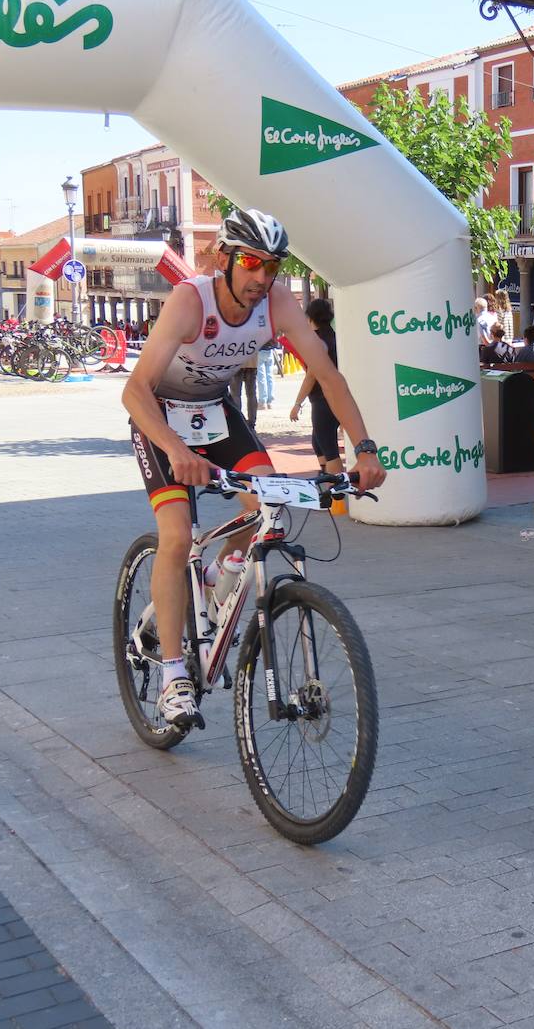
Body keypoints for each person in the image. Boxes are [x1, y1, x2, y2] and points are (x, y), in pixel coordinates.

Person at [123, 208, 385, 729]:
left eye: (272, 266)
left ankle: (220, 579)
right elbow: (134, 391)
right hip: (161, 416)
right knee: (177, 536)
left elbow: (327, 375)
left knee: (269, 509)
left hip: (215, 413)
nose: (262, 277)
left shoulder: (277, 303)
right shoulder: (189, 301)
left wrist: (366, 448)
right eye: (251, 263)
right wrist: (176, 449)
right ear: (225, 259)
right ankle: (174, 674)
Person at [289, 298, 349, 475]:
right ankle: (326, 483)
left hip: (324, 399)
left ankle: (334, 493)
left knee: (328, 448)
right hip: (332, 397)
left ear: (310, 317)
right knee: (319, 442)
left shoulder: (318, 341)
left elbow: (310, 377)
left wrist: (297, 403)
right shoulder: (334, 337)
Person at [255, 333, 278, 411]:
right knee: (269, 376)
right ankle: (270, 401)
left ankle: (262, 402)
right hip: (270, 349)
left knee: (261, 377)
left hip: (260, 350)